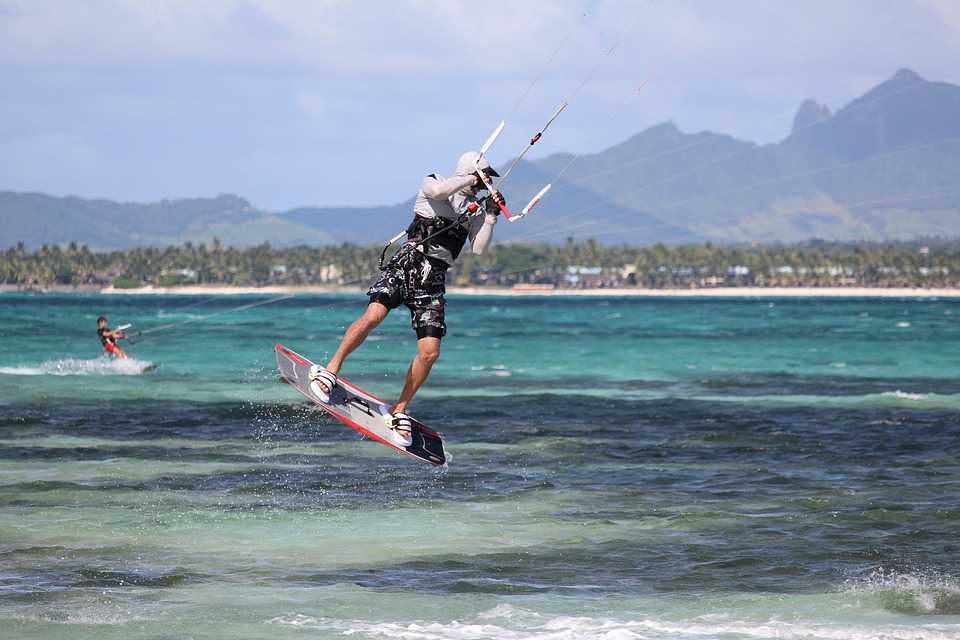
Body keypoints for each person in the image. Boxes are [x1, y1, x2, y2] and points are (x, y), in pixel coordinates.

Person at [309, 150, 504, 445]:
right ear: (471, 172)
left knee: (430, 352)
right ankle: (331, 369)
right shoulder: (434, 182)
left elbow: (478, 248)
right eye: (484, 176)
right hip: (408, 264)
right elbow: (440, 191)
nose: (486, 182)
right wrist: (470, 177)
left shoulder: (470, 211)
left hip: (433, 279)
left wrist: (490, 215)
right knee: (374, 315)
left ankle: (400, 410)